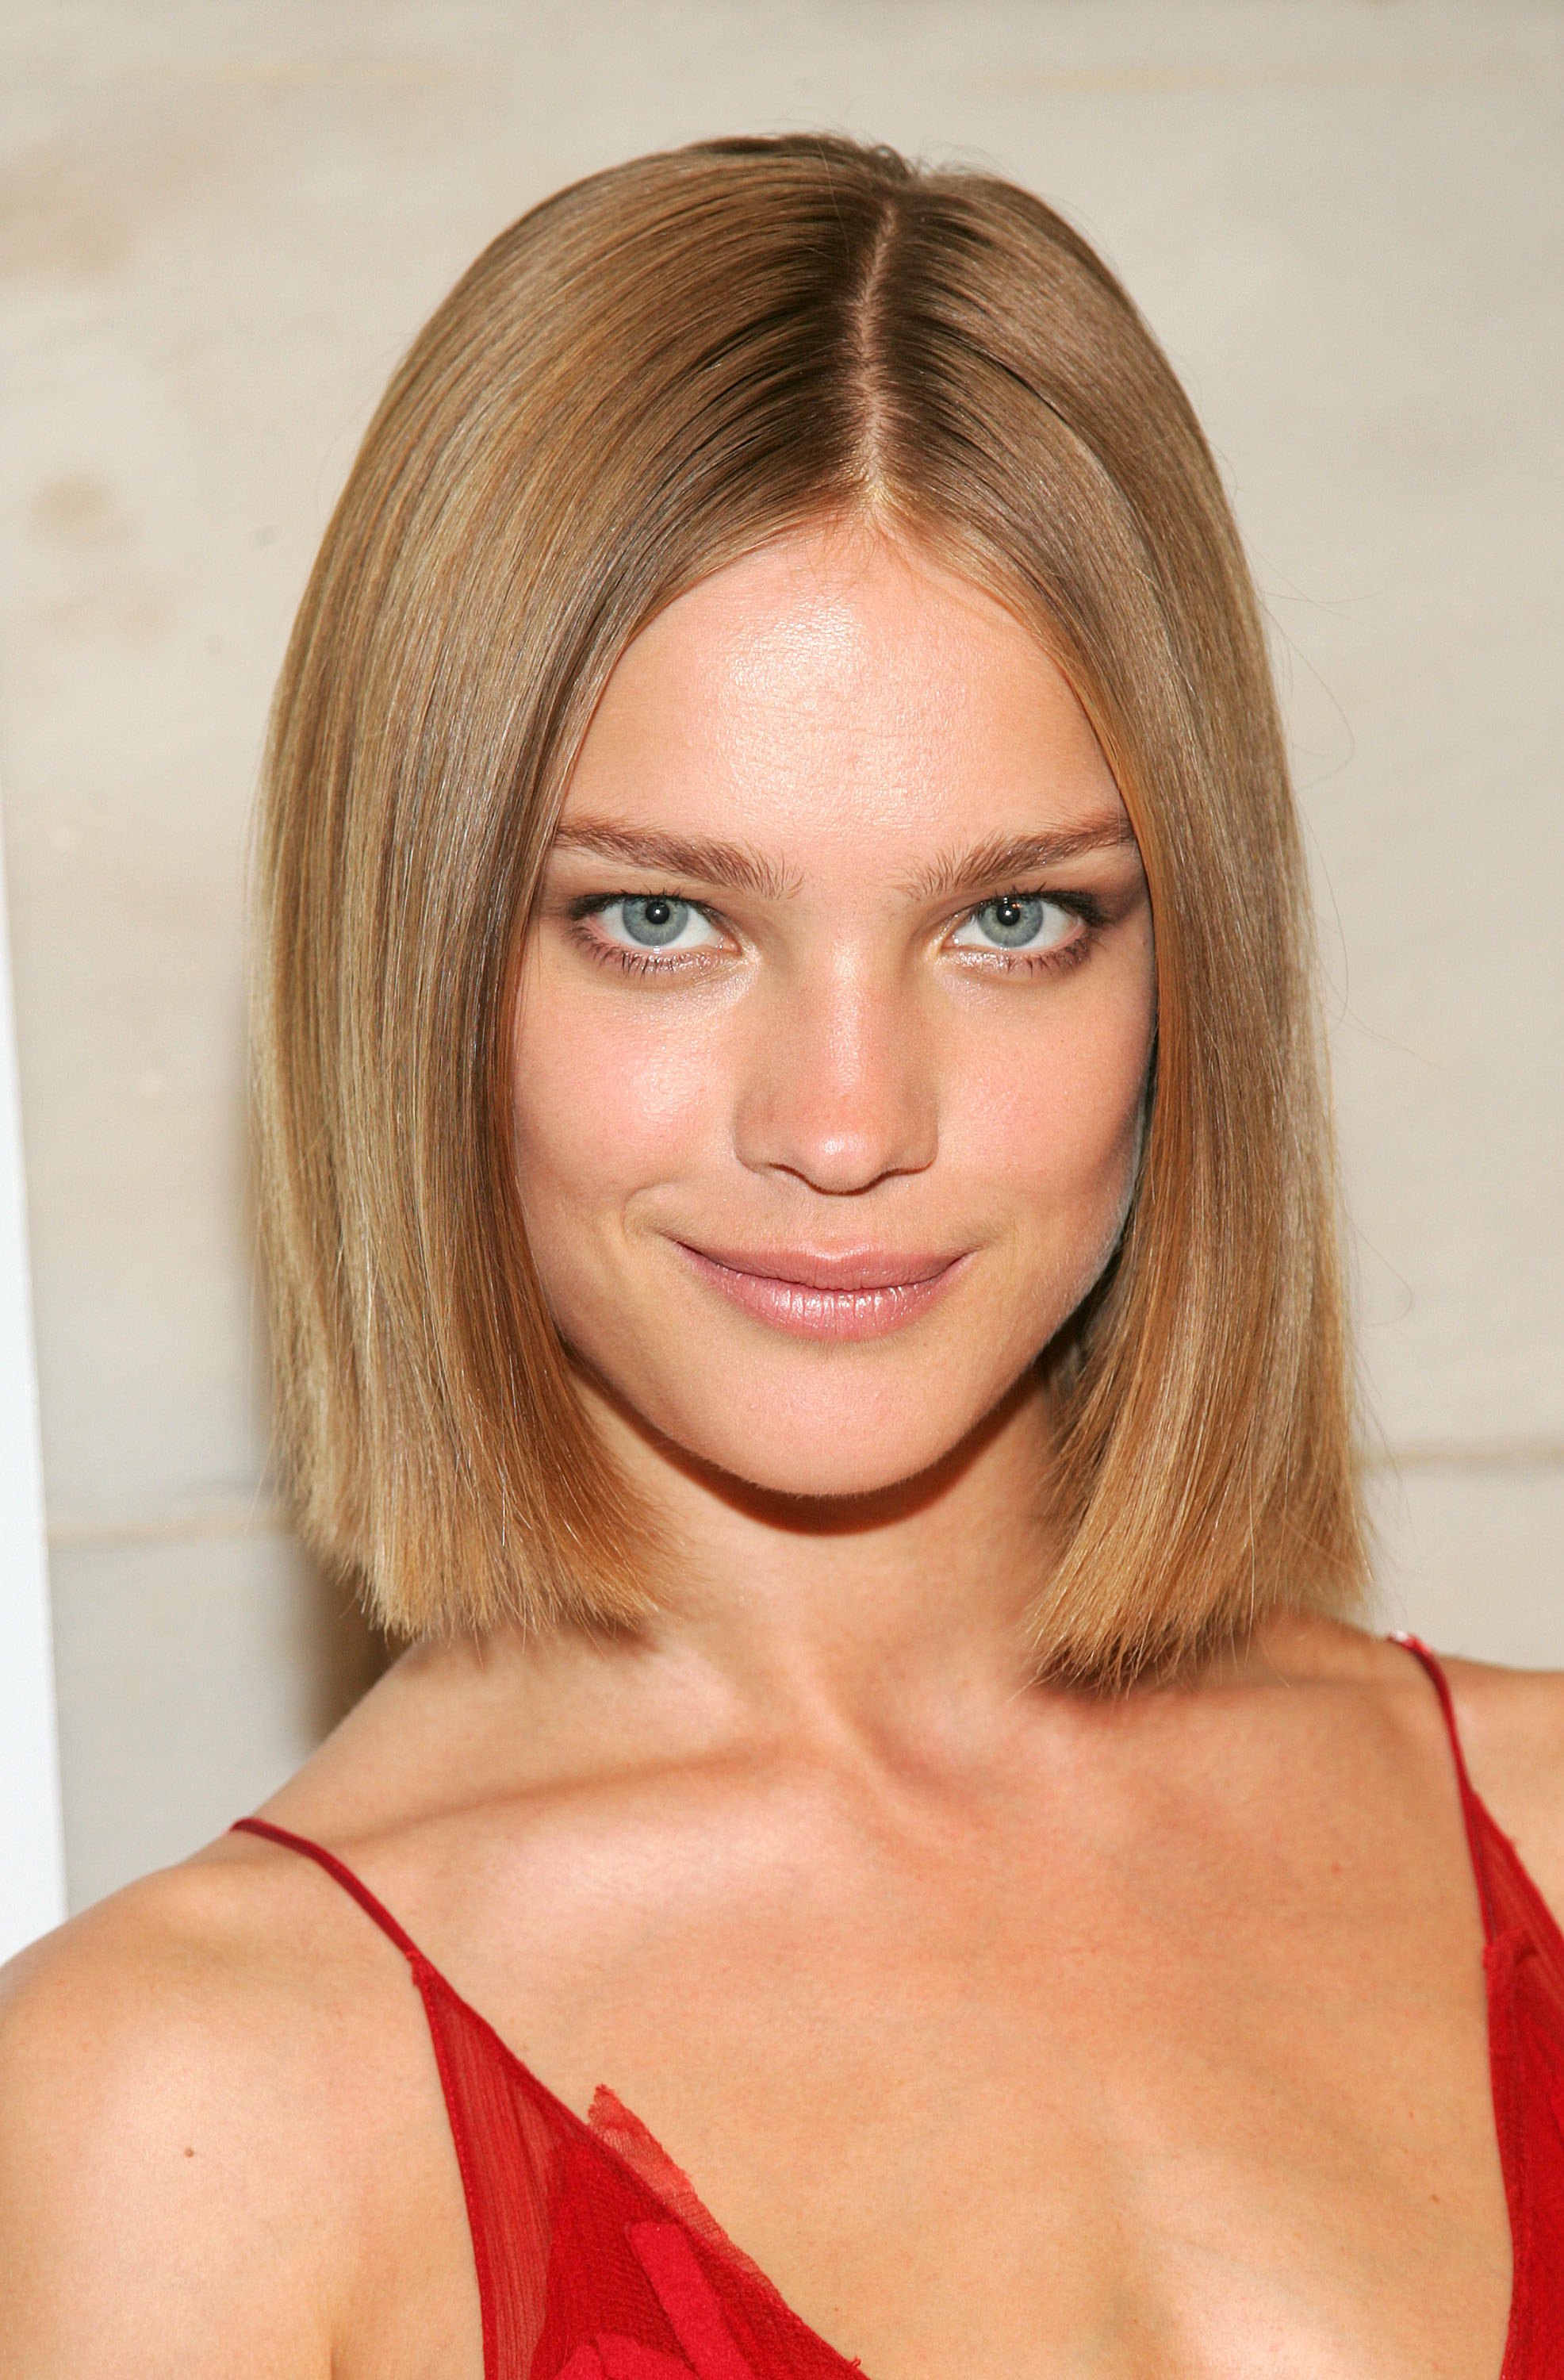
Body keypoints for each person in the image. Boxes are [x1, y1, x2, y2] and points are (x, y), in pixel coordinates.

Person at [1, 132, 1559, 2380]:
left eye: (1013, 919)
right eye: (660, 919)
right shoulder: (171, 2117)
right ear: (421, 958)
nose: (844, 1125)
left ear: (1183, 966)